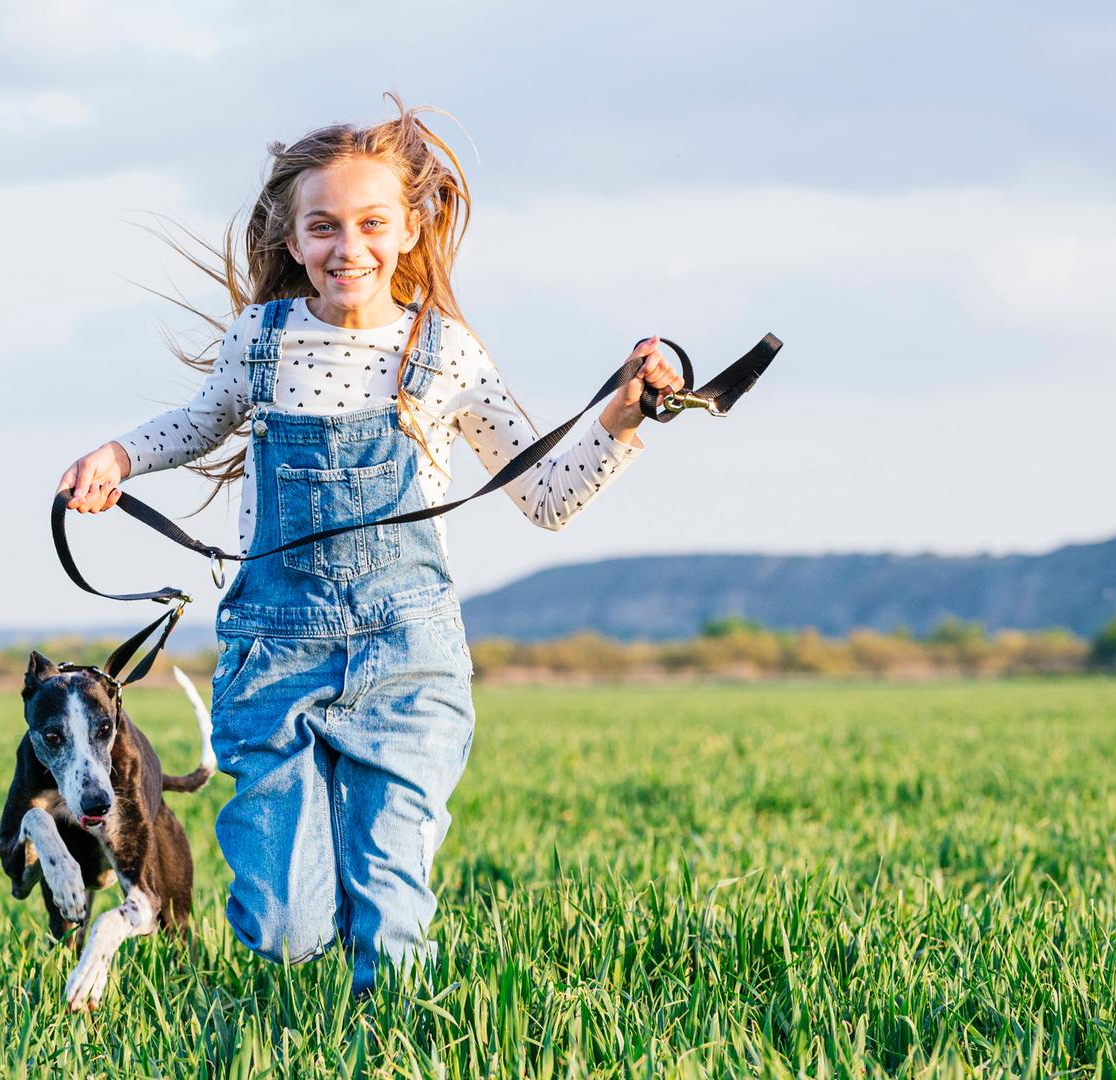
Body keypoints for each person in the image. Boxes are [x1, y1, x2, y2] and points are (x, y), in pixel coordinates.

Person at [54, 96, 683, 995]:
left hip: (406, 655)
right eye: (324, 226)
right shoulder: (261, 343)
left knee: (388, 916)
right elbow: (197, 424)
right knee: (280, 925)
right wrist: (116, 457)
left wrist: (624, 411)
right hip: (275, 654)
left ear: (411, 227)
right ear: (294, 235)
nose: (349, 247)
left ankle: (390, 1011)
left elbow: (545, 497)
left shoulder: (447, 353)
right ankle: (353, 877)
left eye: (372, 223)